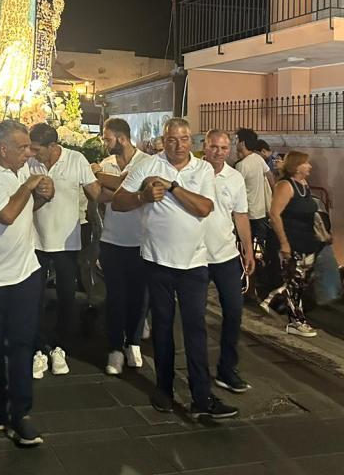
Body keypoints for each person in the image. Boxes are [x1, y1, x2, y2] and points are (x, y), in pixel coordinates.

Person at [112, 118, 237, 421]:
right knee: (163, 327)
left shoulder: (202, 169)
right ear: (163, 140)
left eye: (183, 139)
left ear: (191, 141)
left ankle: (201, 397)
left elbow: (204, 208)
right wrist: (142, 196)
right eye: (171, 139)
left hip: (194, 262)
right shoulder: (147, 165)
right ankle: (164, 389)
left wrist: (172, 187)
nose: (178, 145)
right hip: (157, 261)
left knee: (195, 329)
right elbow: (118, 202)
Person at [0, 120, 54, 447]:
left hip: (25, 271)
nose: (29, 152)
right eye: (22, 147)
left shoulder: (22, 169)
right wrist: (29, 186)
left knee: (21, 344)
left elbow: (26, 209)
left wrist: (44, 195)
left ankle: (21, 413)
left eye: (29, 146)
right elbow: (6, 215)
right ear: (2, 149)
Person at [27, 123, 100, 379]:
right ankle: (38, 347)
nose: (33, 153)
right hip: (35, 240)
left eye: (37, 149)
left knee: (67, 296)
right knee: (34, 297)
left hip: (67, 243)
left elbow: (95, 192)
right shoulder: (30, 162)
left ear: (52, 146)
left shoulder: (75, 159)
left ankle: (60, 346)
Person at [95, 117, 153, 376]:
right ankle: (115, 347)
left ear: (121, 138)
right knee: (116, 297)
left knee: (139, 297)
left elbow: (124, 187)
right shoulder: (107, 163)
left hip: (141, 240)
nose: (105, 143)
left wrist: (103, 179)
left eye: (107, 138)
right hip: (112, 239)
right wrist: (120, 189)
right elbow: (101, 196)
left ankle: (133, 342)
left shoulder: (146, 162)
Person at [201, 130, 255, 393]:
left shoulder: (235, 178)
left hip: (226, 255)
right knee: (194, 316)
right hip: (196, 257)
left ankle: (227, 369)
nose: (219, 152)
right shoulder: (192, 172)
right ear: (205, 146)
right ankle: (197, 371)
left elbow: (240, 215)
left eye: (224, 148)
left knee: (234, 312)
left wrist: (248, 249)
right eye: (214, 146)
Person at [261, 150, 320, 338]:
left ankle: (273, 301)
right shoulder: (285, 185)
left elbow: (311, 212)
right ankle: (296, 321)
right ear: (296, 166)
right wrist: (284, 243)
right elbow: (274, 214)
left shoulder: (304, 185)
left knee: (301, 281)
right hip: (291, 239)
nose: (310, 166)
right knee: (294, 281)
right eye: (306, 163)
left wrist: (322, 233)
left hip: (306, 239)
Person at [235, 129, 276, 301]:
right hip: (261, 213)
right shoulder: (258, 159)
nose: (235, 143)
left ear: (242, 143)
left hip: (247, 216)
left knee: (245, 251)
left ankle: (249, 287)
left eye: (236, 140)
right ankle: (259, 286)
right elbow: (270, 177)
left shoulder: (241, 166)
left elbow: (235, 191)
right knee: (260, 251)